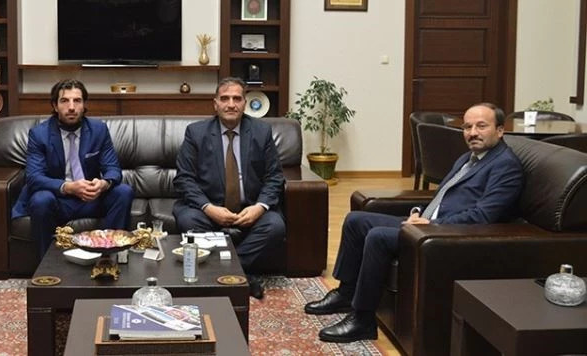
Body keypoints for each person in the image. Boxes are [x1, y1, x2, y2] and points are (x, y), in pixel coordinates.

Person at [304, 103, 523, 343]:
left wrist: (432, 224)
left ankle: (363, 319)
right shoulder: (468, 158)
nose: (472, 133)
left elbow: (483, 216)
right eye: (467, 127)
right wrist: (418, 214)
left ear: (500, 130)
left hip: (445, 235)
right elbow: (442, 197)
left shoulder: (505, 166)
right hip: (428, 224)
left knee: (378, 236)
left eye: (481, 126)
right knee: (356, 220)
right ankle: (346, 293)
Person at [173, 77, 286, 299]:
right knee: (188, 220)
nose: (231, 104)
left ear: (245, 103)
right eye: (225, 98)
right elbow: (184, 179)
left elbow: (274, 177)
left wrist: (259, 208)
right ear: (215, 104)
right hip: (209, 209)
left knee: (275, 226)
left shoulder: (261, 132)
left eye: (237, 98)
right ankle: (243, 276)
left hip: (249, 209)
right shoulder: (196, 132)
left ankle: (224, 272)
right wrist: (208, 208)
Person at [11, 79, 134, 259]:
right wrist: (68, 187)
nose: (71, 107)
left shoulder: (99, 130)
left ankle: (108, 258)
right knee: (40, 200)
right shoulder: (39, 134)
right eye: (64, 101)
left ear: (84, 105)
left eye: (77, 101)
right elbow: (34, 177)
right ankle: (48, 265)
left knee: (123, 192)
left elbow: (113, 169)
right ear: (55, 106)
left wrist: (103, 184)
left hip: (90, 198)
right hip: (58, 199)